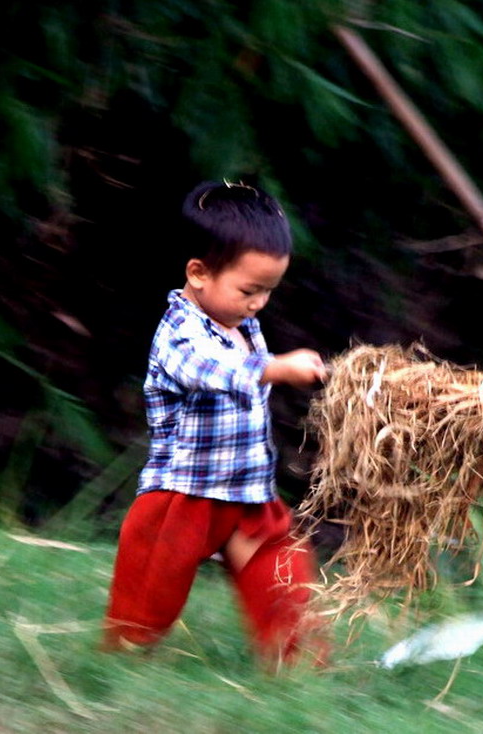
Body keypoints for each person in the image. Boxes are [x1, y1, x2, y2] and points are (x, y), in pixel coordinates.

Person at [102, 179, 327, 667]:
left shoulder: (244, 325)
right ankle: (119, 660)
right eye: (250, 290)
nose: (259, 303)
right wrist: (278, 368)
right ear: (199, 273)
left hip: (248, 492)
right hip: (184, 495)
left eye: (269, 291)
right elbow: (213, 372)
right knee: (147, 596)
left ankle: (302, 668)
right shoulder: (179, 332)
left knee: (283, 574)